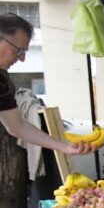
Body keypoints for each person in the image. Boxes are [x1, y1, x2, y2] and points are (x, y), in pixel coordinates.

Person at [0, 13, 93, 156]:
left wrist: (65, 147)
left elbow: (17, 126)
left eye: (24, 52)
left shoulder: (2, 83)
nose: (22, 59)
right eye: (19, 50)